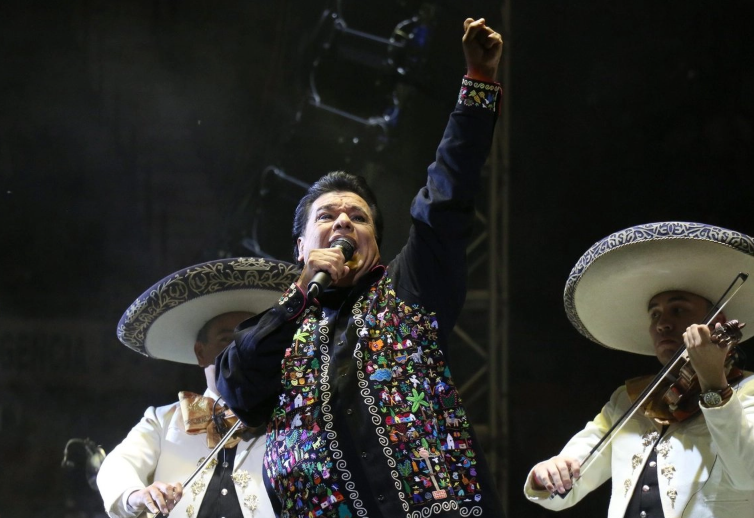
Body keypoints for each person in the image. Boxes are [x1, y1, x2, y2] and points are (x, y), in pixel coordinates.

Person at [215, 17, 505, 518]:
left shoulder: (409, 288)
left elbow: (447, 196)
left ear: (376, 241)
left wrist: (477, 85)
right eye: (326, 216)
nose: (344, 221)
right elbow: (235, 384)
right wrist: (299, 295)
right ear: (301, 247)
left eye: (359, 216)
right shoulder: (282, 327)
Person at [523, 221, 754, 518]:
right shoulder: (630, 399)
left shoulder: (748, 391)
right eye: (655, 314)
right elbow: (563, 492)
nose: (663, 323)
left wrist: (714, 385)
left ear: (717, 322)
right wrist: (549, 472)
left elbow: (748, 475)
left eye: (678, 309)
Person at [97, 257, 300, 518]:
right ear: (200, 353)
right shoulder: (162, 420)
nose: (237, 351)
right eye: (226, 340)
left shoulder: (290, 420)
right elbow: (118, 464)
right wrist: (135, 495)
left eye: (249, 340)